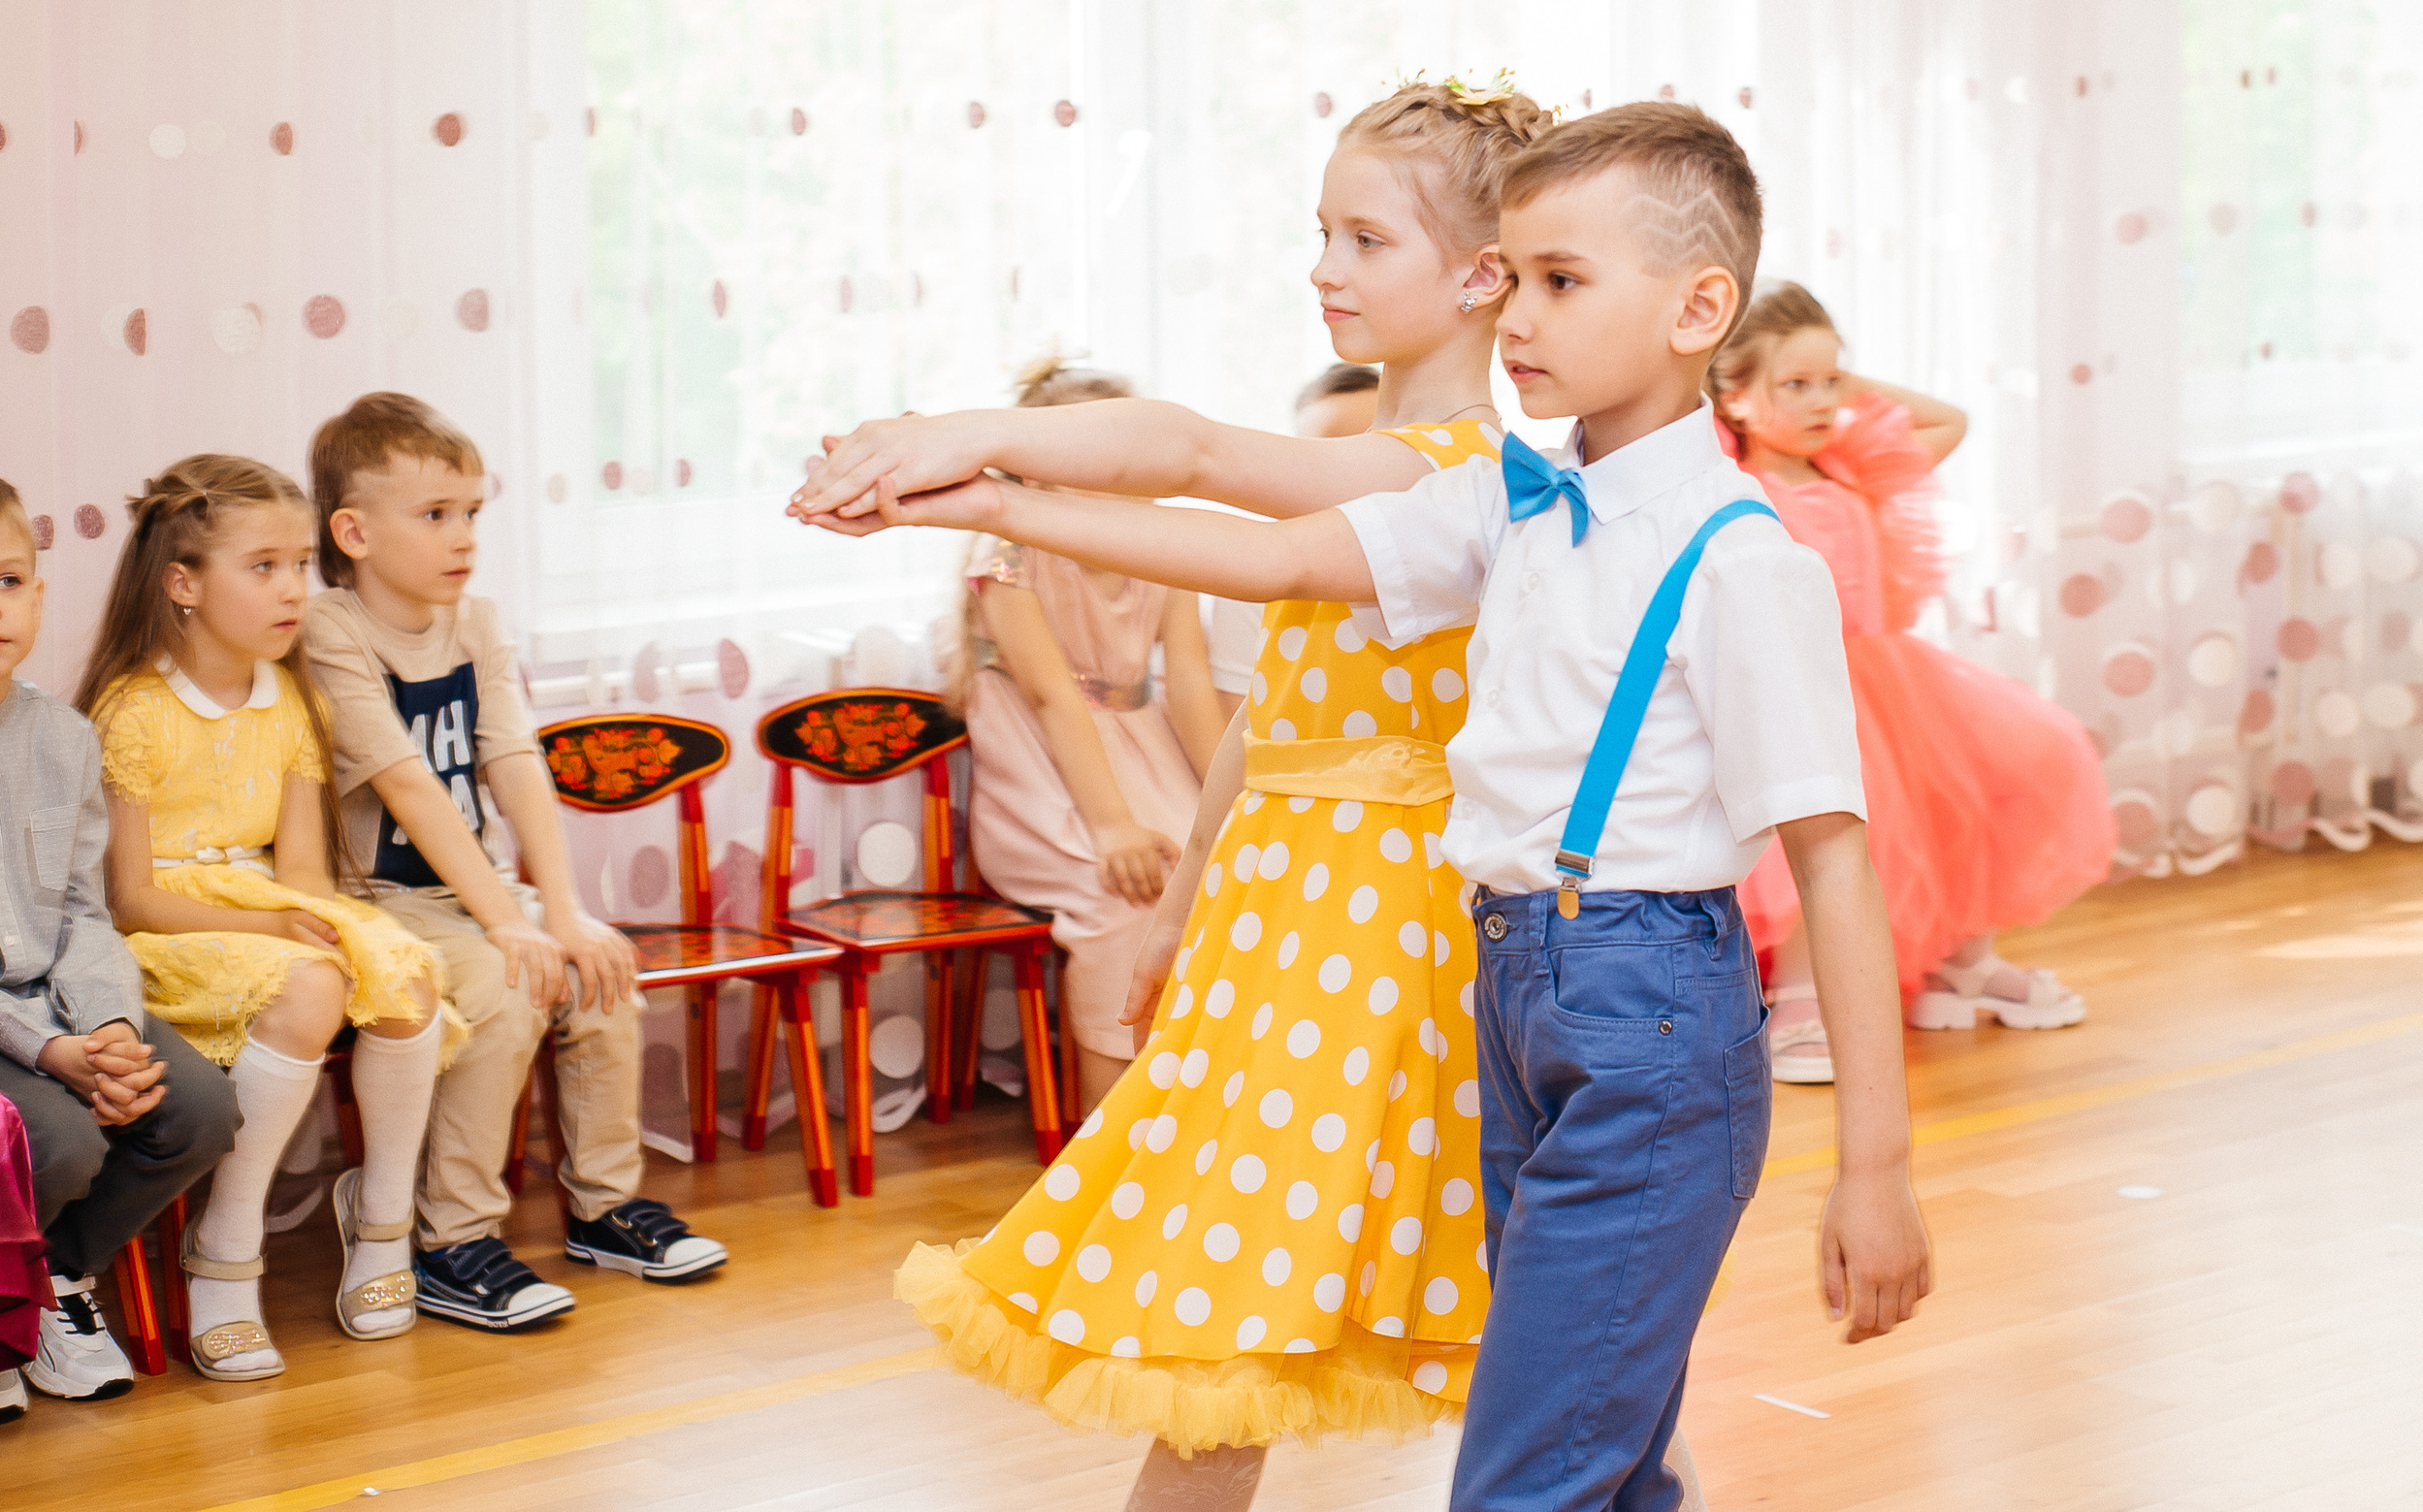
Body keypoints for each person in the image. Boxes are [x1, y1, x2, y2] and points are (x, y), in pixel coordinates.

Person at [805, 100, 1934, 1510]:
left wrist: (1875, 1166)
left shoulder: (1735, 556)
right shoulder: (1517, 505)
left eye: (1558, 280)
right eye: (1514, 275)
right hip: (1518, 983)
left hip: (1644, 996)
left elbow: (1834, 862)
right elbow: (1253, 535)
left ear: (1699, 309)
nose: (1519, 313)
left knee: (1542, 1451)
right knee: (1597, 1426)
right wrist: (987, 497)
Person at [303, 393, 725, 1335]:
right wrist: (510, 927)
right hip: (380, 899)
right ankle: (450, 1240)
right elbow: (408, 783)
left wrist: (563, 913)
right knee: (507, 988)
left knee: (598, 971)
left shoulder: (476, 620)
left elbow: (515, 760)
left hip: (474, 891)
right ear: (354, 533)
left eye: (471, 513)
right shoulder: (331, 630)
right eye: (435, 514)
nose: (464, 537)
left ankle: (606, 1208)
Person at [78, 455, 453, 1381]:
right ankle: (226, 1243)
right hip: (166, 929)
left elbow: (303, 873)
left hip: (261, 905)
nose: (293, 590)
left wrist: (330, 931)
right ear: (183, 584)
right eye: (263, 567)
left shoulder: (291, 698)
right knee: (310, 986)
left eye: (298, 566)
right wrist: (280, 936)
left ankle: (383, 1219)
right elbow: (131, 900)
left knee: (405, 976)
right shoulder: (131, 712)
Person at [1711, 283, 2109, 1082]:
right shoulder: (1730, 483)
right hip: (1801, 684)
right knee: (1821, 829)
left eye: (1831, 380)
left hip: (1891, 679)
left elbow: (1947, 422)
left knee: (1984, 784)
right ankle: (1799, 992)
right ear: (1735, 398)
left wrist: (1838, 383)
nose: (1823, 401)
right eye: (1797, 384)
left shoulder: (1853, 466)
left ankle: (1963, 964)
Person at [0, 466, 239, 1423]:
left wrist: (108, 1026)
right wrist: (49, 1051)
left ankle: (51, 1281)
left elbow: (81, 913)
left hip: (57, 1007)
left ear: (37, 592)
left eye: (7, 580)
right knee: (60, 1140)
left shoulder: (64, 739)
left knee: (198, 1108)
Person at [955, 356, 1227, 1112]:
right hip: (1049, 777)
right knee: (1126, 902)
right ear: (1036, 474)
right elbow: (1053, 700)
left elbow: (1191, 687)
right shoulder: (1008, 556)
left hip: (1146, 757)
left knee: (1223, 880)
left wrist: (1235, 803)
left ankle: (1200, 1112)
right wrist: (1111, 827)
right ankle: (1108, 1133)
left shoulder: (1163, 546)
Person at [1206, 364, 1391, 718]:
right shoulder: (1252, 575)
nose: (1356, 477)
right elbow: (1242, 718)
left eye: (1374, 450)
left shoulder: (1458, 555)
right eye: (1327, 457)